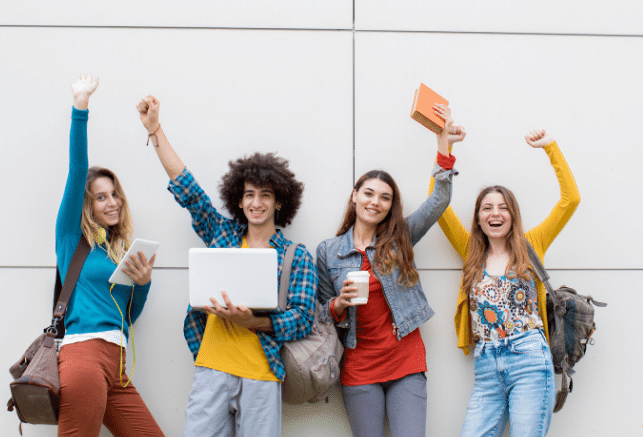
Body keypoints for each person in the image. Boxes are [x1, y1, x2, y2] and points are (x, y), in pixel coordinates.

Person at [136, 95, 316, 437]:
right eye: (249, 194)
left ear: (280, 202)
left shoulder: (296, 255)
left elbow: (303, 319)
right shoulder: (222, 233)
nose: (256, 202)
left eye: (265, 195)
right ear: (239, 199)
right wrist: (155, 130)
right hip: (212, 369)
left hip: (262, 374)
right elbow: (188, 190)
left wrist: (254, 321)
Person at [316, 104, 465, 437]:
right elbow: (319, 312)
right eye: (368, 193)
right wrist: (338, 305)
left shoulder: (401, 239)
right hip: (359, 366)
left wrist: (444, 147)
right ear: (355, 196)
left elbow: (439, 201)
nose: (375, 202)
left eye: (384, 197)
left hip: (405, 361)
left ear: (390, 206)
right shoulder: (328, 251)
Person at [432, 127, 580, 437]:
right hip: (487, 364)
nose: (495, 213)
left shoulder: (531, 244)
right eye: (487, 208)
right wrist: (443, 146)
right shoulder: (470, 249)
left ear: (512, 215)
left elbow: (570, 200)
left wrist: (550, 147)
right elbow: (438, 206)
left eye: (503, 207)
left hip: (529, 359)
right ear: (478, 217)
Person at [56, 75, 164, 437]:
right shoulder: (72, 239)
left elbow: (127, 316)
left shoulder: (117, 252)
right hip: (83, 356)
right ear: (87, 204)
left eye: (114, 193)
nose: (112, 201)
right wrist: (80, 107)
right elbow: (76, 169)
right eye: (101, 196)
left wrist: (143, 284)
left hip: (116, 362)